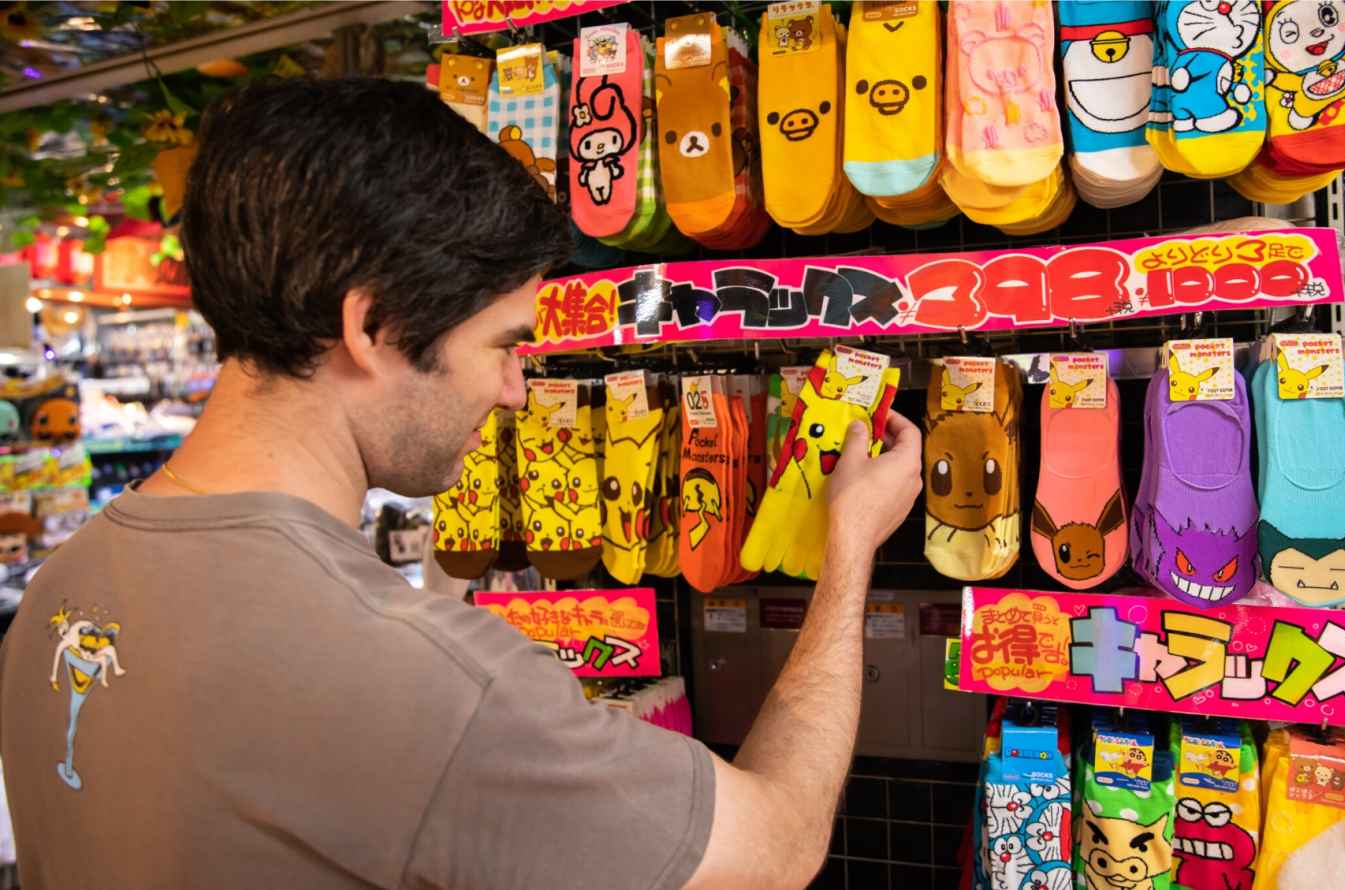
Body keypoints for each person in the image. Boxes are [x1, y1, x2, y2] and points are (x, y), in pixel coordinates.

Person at [0, 78, 922, 889]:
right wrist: (848, 552)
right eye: (504, 345)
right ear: (374, 326)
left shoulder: (65, 585)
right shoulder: (424, 681)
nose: (517, 388)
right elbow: (778, 851)